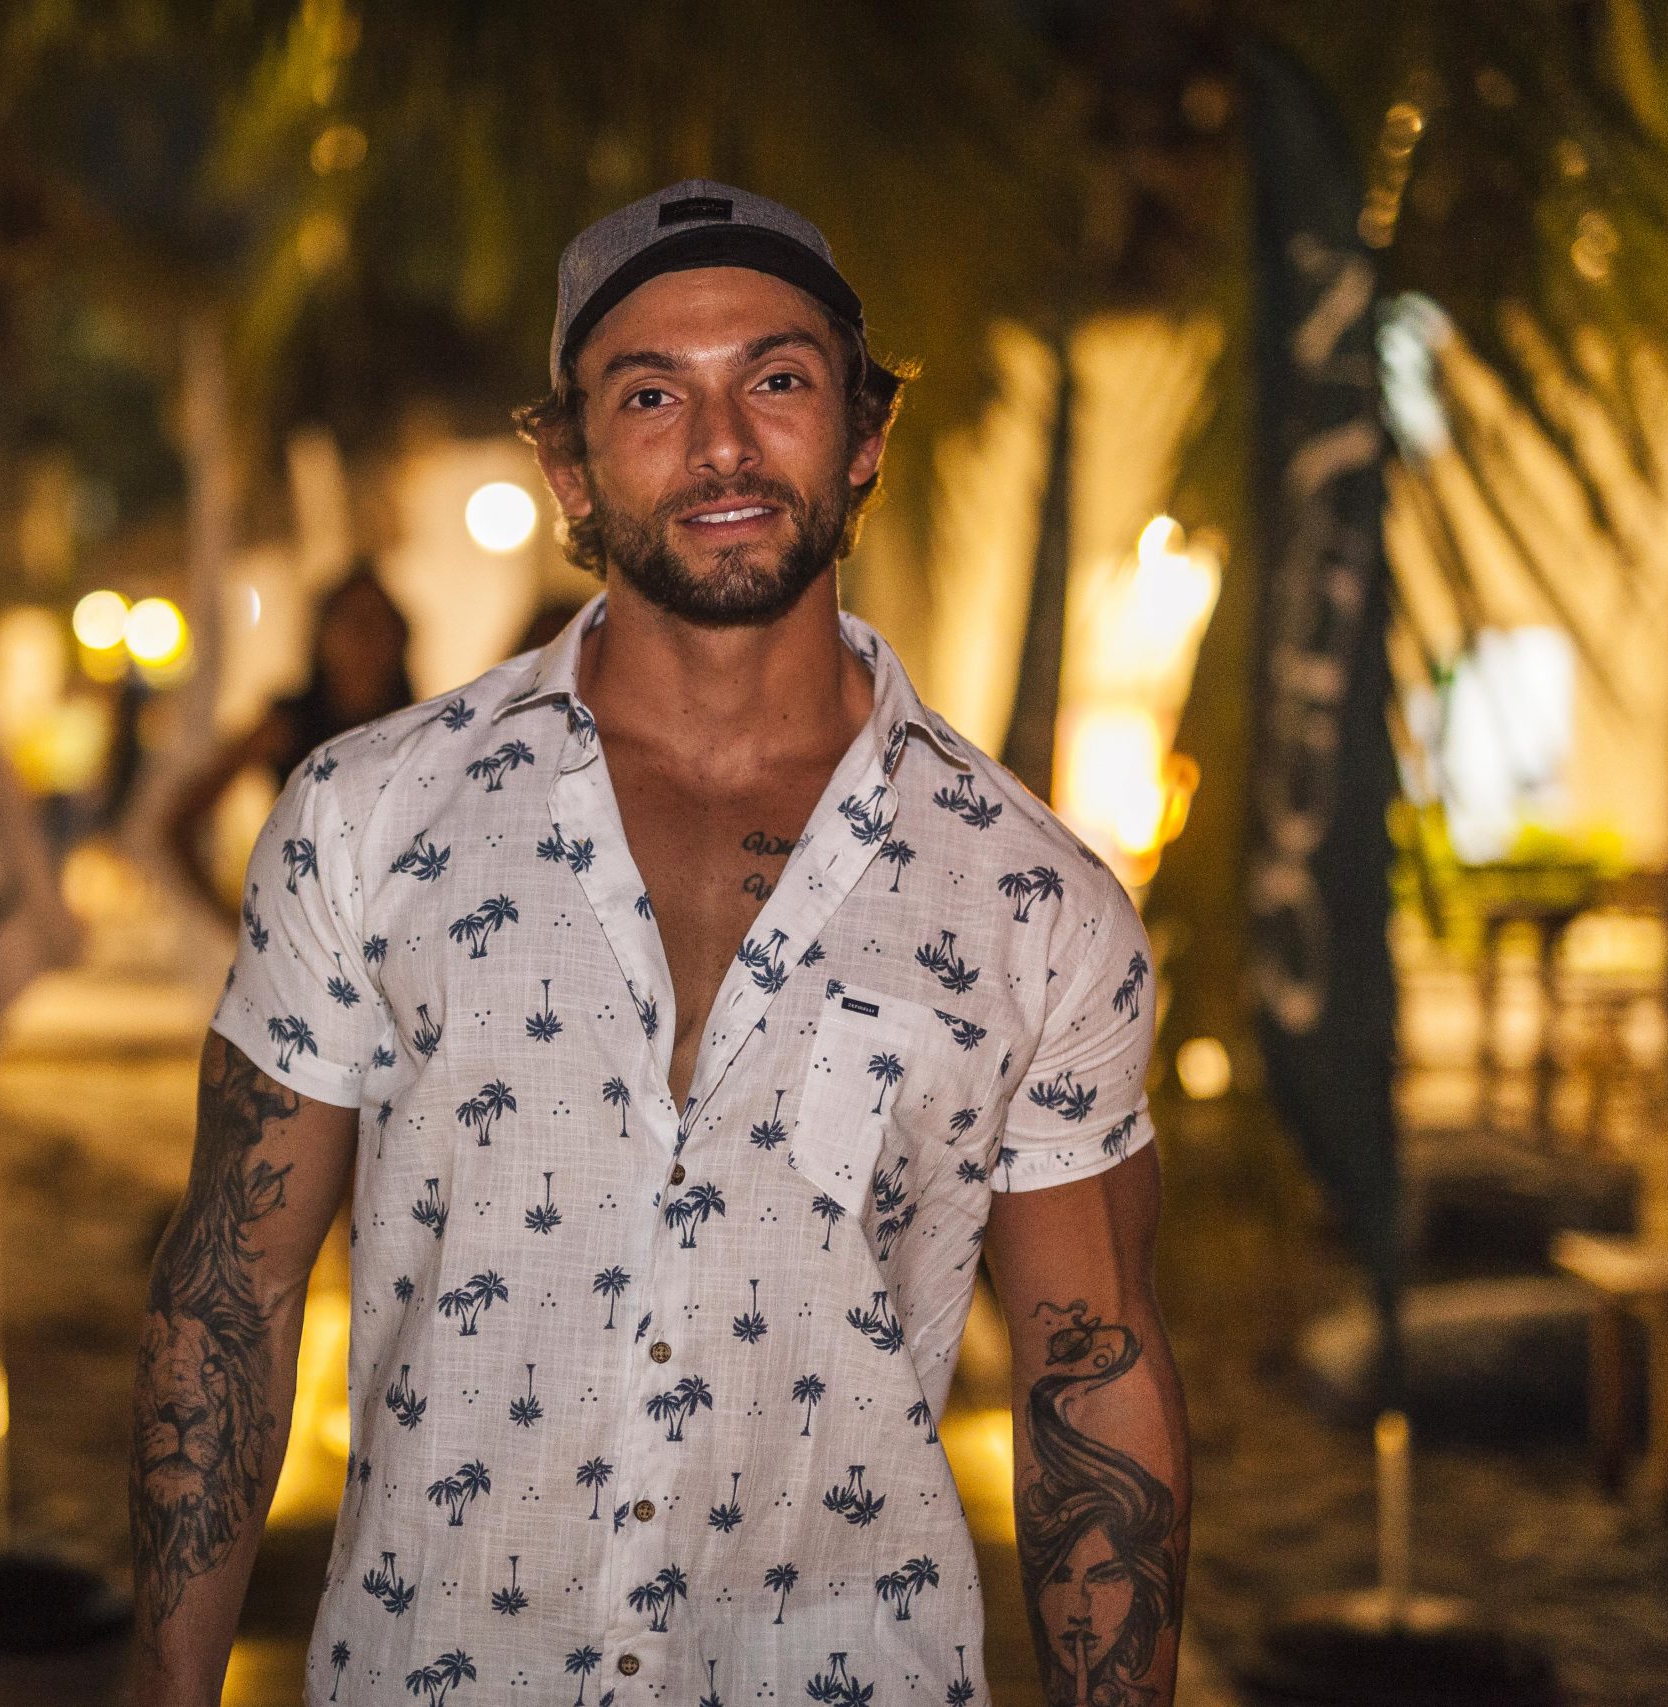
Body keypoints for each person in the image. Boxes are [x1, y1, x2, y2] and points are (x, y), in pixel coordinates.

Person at [132, 181, 1189, 1707]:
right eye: (650, 395)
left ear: (864, 434)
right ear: (567, 466)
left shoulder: (1032, 898)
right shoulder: (370, 816)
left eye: (778, 379)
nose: (722, 444)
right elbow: (231, 1288)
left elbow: (1091, 1363)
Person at [159, 562, 413, 926]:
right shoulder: (290, 725)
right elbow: (182, 820)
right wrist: (238, 919)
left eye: (378, 626)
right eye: (353, 624)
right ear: (324, 637)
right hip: (308, 927)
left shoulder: (417, 728)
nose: (366, 642)